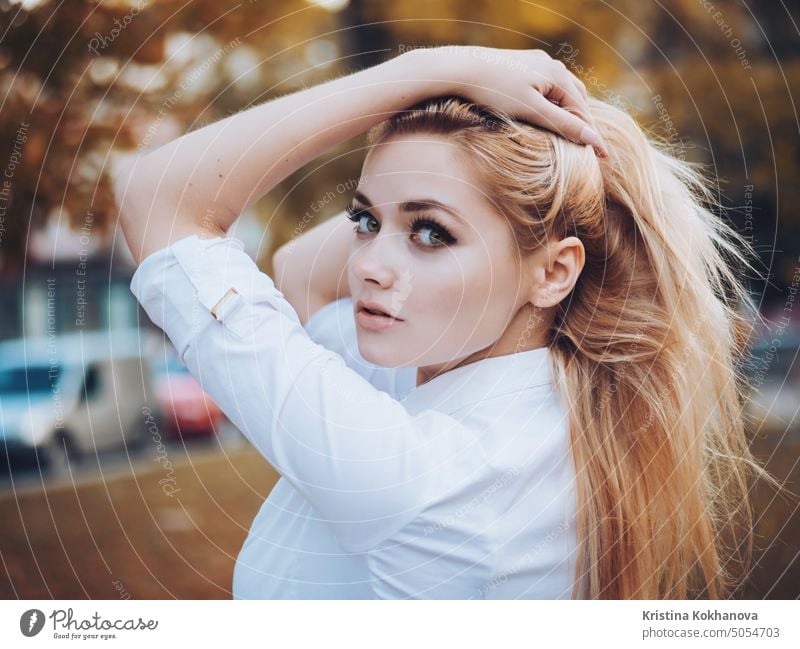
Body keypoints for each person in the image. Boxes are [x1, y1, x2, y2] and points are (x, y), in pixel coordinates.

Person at [115, 45, 777, 599]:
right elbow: (299, 271)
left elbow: (158, 197)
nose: (369, 264)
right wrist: (455, 173)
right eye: (365, 221)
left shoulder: (421, 474)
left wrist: (437, 68)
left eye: (432, 233)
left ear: (554, 272)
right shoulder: (532, 392)